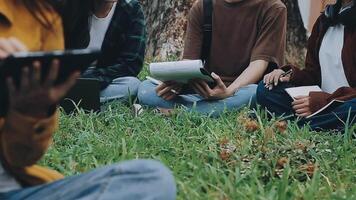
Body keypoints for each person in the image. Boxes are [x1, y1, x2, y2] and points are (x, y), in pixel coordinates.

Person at [0, 1, 176, 199]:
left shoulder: (46, 20)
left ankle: (73, 94)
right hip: (78, 81)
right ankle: (74, 94)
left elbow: (130, 63)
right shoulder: (77, 9)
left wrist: (30, 111)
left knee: (152, 179)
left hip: (104, 81)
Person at [138, 0, 287, 117]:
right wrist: (177, 82)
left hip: (243, 89)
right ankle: (207, 109)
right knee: (146, 89)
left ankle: (176, 112)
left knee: (256, 94)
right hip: (205, 88)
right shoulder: (203, 6)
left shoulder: (273, 8)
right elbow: (189, 62)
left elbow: (258, 64)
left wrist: (228, 92)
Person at [257, 0, 356, 131]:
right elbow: (313, 74)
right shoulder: (324, 21)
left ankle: (299, 126)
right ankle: (323, 125)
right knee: (267, 89)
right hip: (319, 103)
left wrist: (323, 101)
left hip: (344, 103)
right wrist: (289, 75)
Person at [60, 0, 146, 103]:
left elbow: (131, 64)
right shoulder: (72, 6)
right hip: (69, 78)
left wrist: (89, 79)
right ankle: (78, 99)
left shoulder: (131, 9)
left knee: (132, 86)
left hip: (104, 78)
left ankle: (69, 99)